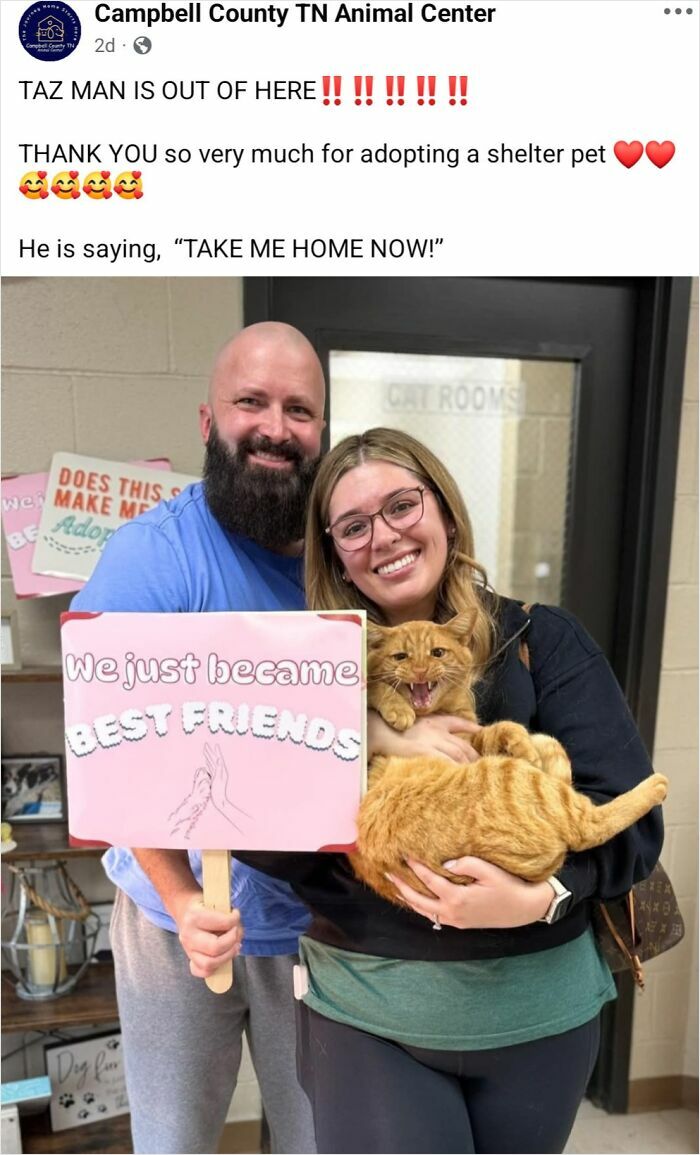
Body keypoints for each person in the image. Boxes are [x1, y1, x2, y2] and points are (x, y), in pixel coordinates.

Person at [238, 426, 664, 1155]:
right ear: (334, 550)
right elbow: (262, 835)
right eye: (353, 525)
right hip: (371, 1015)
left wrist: (545, 894)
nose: (384, 536)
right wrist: (372, 734)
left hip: (539, 1017)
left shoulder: (539, 641)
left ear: (443, 510)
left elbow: (630, 822)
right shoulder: (308, 666)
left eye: (402, 505)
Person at [70, 322, 327, 1155]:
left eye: (299, 409)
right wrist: (182, 901)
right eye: (250, 401)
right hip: (173, 910)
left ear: (322, 429)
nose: (276, 427)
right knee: (174, 1141)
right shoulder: (151, 557)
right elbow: (114, 763)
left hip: (323, 927)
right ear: (207, 420)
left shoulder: (353, 555)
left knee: (323, 1141)